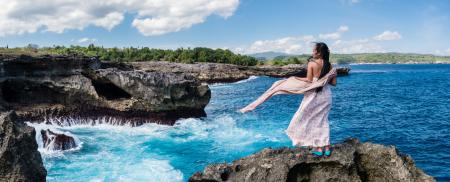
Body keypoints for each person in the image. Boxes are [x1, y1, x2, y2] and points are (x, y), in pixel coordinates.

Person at [240, 42, 337, 157]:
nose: (312, 52)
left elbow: (309, 80)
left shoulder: (312, 63)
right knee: (322, 120)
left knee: (309, 119)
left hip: (313, 95)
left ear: (319, 52)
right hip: (326, 95)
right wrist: (329, 76)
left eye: (314, 50)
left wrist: (294, 78)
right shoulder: (330, 66)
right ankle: (326, 147)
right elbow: (333, 83)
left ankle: (318, 148)